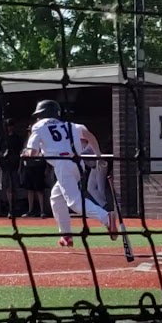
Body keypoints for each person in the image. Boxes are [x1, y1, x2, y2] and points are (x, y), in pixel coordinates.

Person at [22, 99, 117, 247]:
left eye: (39, 115)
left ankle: (106, 218)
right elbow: (88, 134)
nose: (38, 118)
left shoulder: (38, 126)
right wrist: (98, 155)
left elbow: (32, 153)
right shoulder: (68, 125)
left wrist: (25, 154)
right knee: (56, 197)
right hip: (76, 164)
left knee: (74, 203)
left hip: (62, 165)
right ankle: (66, 234)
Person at [0, 118, 23, 217]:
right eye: (8, 126)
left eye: (11, 126)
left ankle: (13, 208)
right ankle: (9, 207)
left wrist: (20, 167)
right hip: (4, 166)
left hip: (14, 166)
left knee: (13, 188)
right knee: (5, 188)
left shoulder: (17, 138)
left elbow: (20, 153)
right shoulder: (2, 138)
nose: (9, 128)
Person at [80, 138, 109, 208]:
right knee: (90, 188)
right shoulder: (81, 147)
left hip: (101, 165)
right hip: (93, 168)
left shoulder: (89, 146)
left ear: (84, 140)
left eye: (81, 140)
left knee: (100, 187)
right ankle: (104, 204)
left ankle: (106, 207)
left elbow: (82, 154)